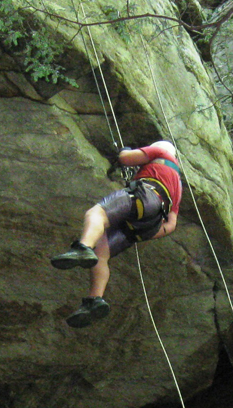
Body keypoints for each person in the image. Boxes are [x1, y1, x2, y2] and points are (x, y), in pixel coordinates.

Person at [50, 140, 182, 327]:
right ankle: (94, 300)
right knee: (101, 252)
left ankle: (83, 247)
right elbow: (172, 224)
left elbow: (126, 159)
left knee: (96, 214)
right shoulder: (177, 183)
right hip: (150, 222)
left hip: (145, 196)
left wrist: (125, 151)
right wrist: (144, 234)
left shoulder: (160, 151)